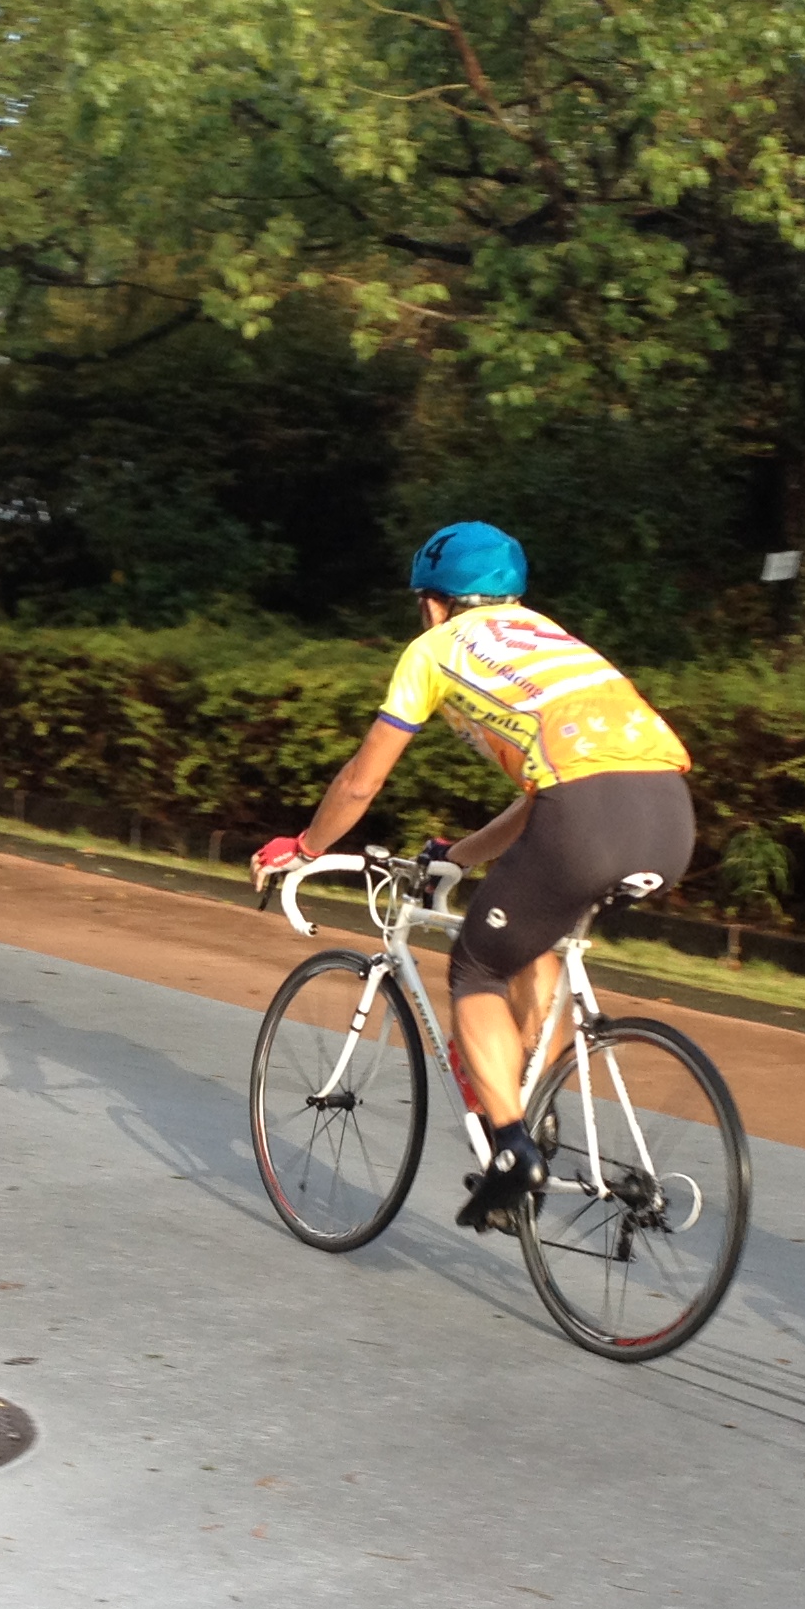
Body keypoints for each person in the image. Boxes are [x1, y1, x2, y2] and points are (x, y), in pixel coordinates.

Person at [249, 522, 696, 1232]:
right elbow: (546, 795)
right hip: (670, 819)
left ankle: (514, 1151)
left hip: (584, 820)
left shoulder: (434, 649)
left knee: (476, 968)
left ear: (433, 602)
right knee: (532, 945)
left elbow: (362, 781)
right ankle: (536, 1115)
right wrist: (459, 856)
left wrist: (303, 847)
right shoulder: (551, 638)